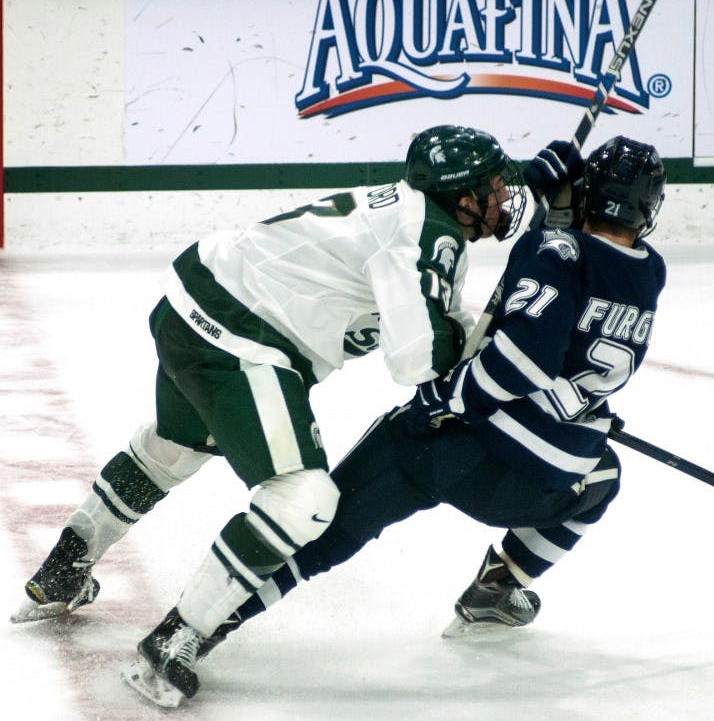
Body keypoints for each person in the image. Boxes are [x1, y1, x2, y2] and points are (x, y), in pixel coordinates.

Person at [11, 124, 551, 705]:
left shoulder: (415, 217)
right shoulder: (427, 234)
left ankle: (62, 570)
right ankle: (175, 640)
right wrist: (487, 346)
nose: (503, 195)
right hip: (237, 337)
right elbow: (418, 360)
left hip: (191, 300)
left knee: (174, 447)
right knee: (304, 499)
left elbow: (421, 323)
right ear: (462, 196)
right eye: (493, 184)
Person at [165, 135, 668, 706]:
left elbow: (522, 356)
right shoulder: (649, 274)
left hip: (441, 443)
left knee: (325, 535)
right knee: (603, 478)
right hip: (526, 483)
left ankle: (193, 633)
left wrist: (448, 396)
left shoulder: (558, 252)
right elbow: (573, 304)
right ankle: (497, 590)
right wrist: (583, 408)